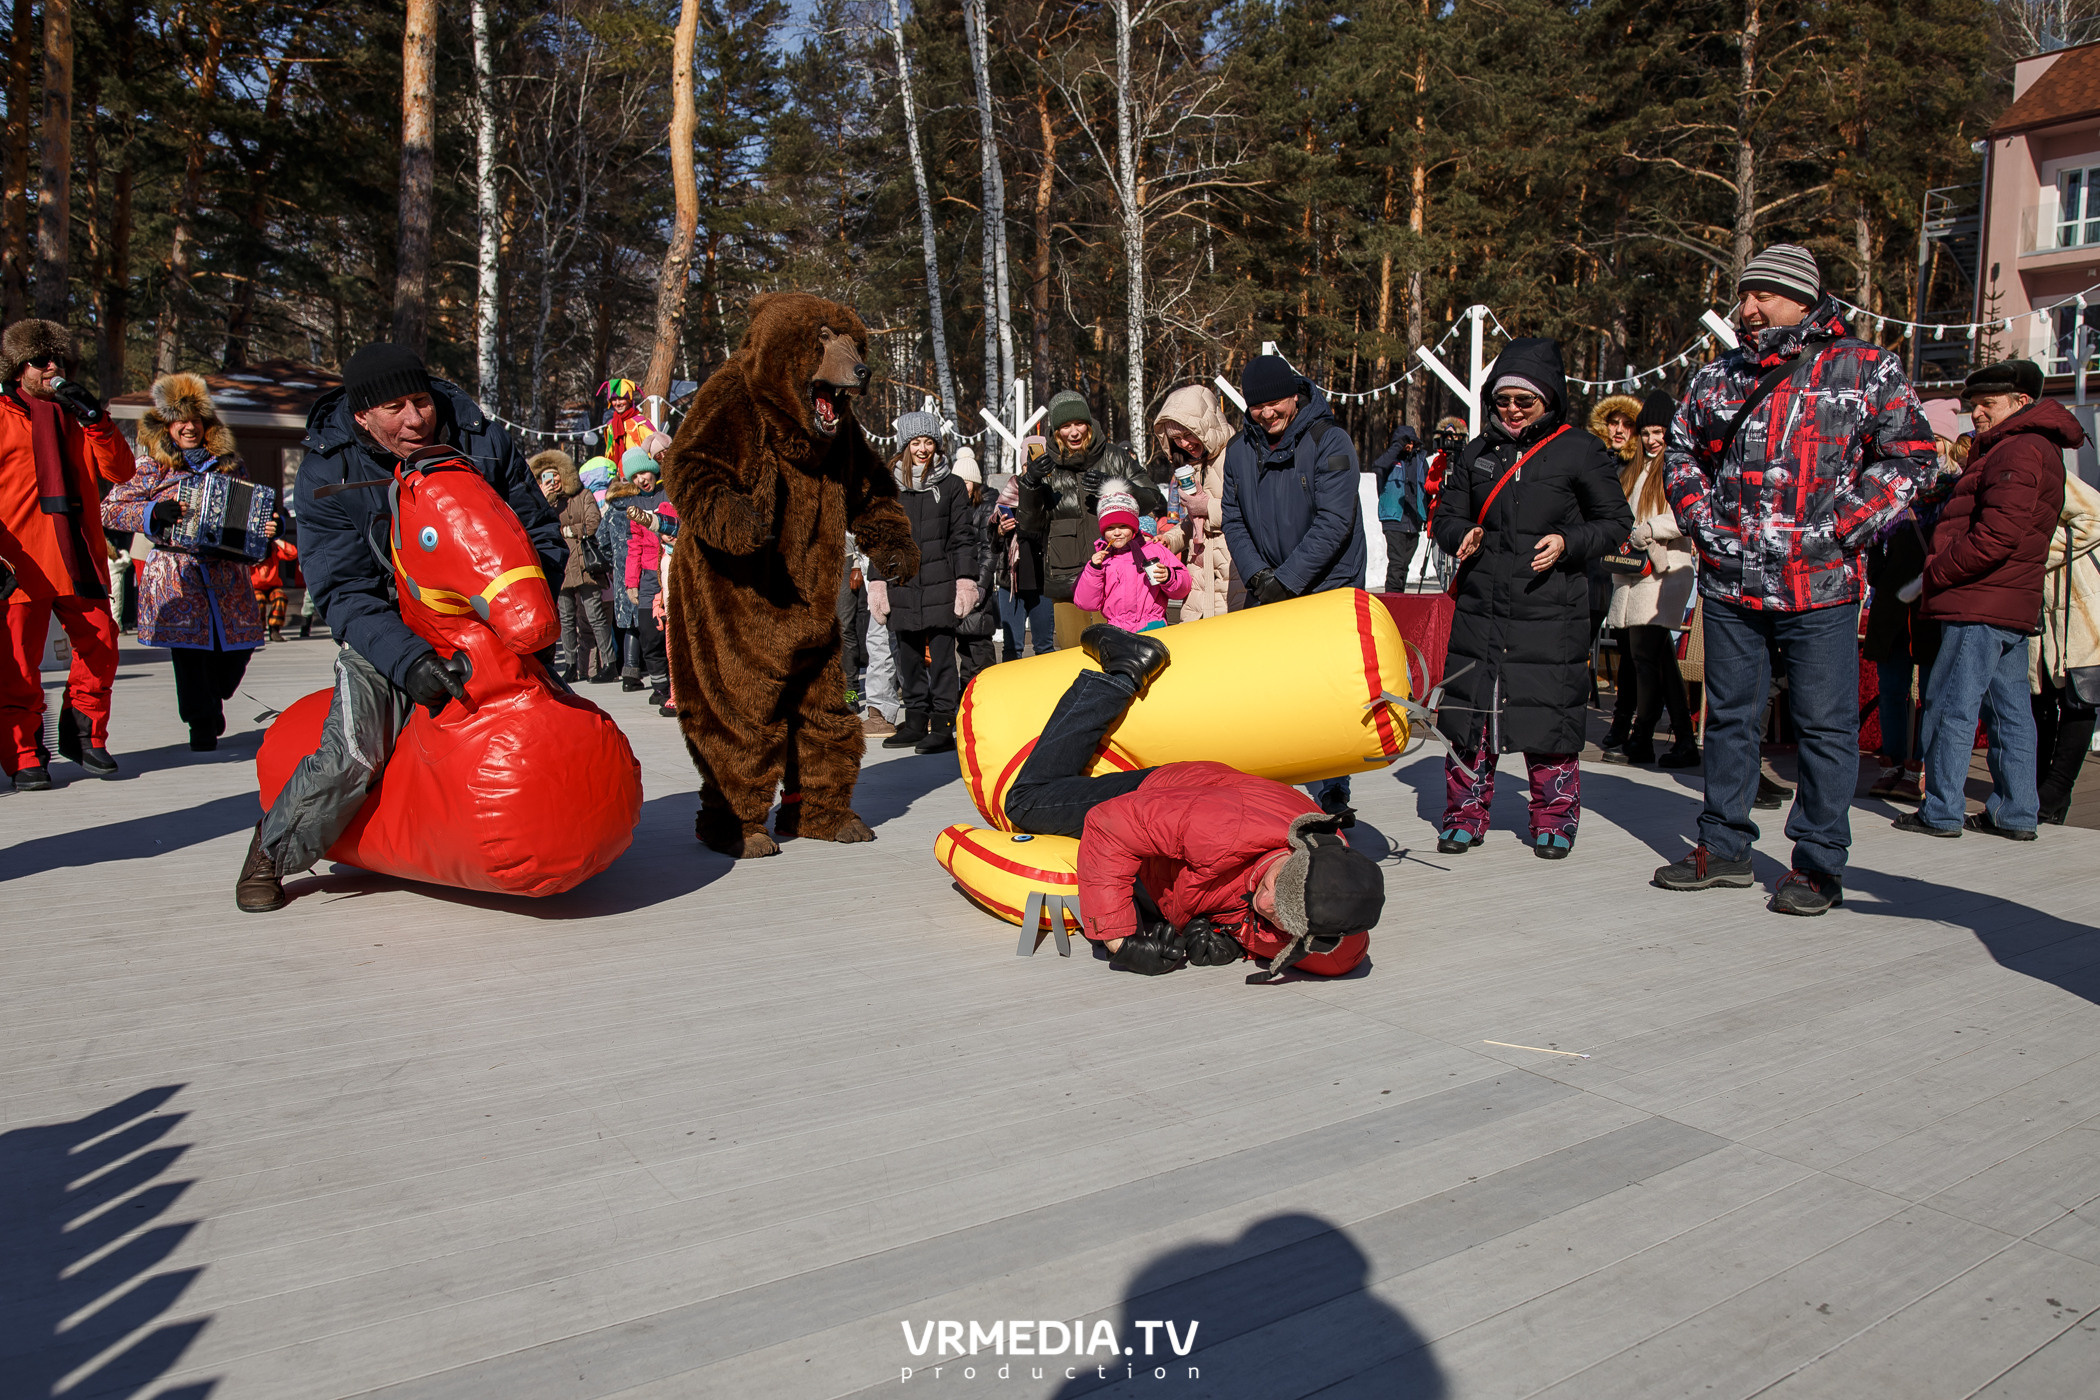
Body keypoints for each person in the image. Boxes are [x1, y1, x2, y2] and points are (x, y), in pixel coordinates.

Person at [1652, 244, 1936, 914]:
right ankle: (1723, 848)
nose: (1747, 309)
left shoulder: (1866, 368)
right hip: (1729, 582)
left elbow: (1912, 455)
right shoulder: (1716, 378)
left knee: (1825, 727)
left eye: (1764, 295)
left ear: (1804, 300)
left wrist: (1843, 528)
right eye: (1744, 295)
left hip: (1820, 587)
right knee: (1728, 720)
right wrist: (1700, 520)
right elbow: (1683, 452)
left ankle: (1817, 864)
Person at [234, 342, 565, 912]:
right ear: (363, 415)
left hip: (484, 622)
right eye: (395, 408)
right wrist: (405, 659)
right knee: (356, 752)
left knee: (551, 720)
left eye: (421, 400)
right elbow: (343, 590)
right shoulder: (328, 468)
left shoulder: (480, 439)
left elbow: (538, 533)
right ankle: (272, 849)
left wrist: (522, 612)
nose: (415, 419)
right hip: (390, 627)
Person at [1003, 624, 1385, 979]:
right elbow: (1108, 825)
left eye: (1276, 916)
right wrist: (1120, 941)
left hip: (1181, 857)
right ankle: (1122, 670)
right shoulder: (1219, 827)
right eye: (1271, 884)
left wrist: (1234, 938)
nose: (1263, 900)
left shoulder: (1336, 922)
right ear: (1297, 850)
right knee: (1026, 801)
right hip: (1166, 795)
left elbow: (1324, 951)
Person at [1429, 338, 1633, 859]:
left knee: (1548, 716)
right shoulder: (1476, 453)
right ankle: (1464, 814)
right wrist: (1460, 534)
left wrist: (1569, 543)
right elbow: (1447, 514)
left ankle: (1553, 818)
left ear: (1549, 399)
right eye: (1503, 401)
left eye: (1526, 401)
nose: (1513, 411)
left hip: (1551, 607)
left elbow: (1614, 522)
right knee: (1472, 714)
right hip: (1482, 607)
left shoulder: (1579, 450)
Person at [1895, 359, 2076, 841]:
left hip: (1978, 600)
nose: (1976, 413)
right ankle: (2016, 812)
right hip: (2008, 602)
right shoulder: (2031, 447)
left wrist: (1937, 572)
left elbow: (1996, 537)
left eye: (1987, 404)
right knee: (2010, 711)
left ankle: (1942, 809)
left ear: (2021, 403)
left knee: (1952, 705)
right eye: (1974, 405)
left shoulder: (2016, 451)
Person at [1221, 354, 1366, 823]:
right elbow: (1234, 516)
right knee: (1279, 693)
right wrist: (1260, 575)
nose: (1267, 414)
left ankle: (1332, 790)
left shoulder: (1329, 440)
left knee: (1326, 694)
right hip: (1271, 586)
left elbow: (1334, 522)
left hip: (1327, 585)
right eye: (1257, 406)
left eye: (1275, 402)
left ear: (1295, 395)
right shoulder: (1241, 449)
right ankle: (1278, 791)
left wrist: (1288, 580)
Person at [100, 372, 270, 751]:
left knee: (235, 653)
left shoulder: (230, 464)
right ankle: (201, 726)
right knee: (190, 655)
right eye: (180, 421)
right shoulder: (151, 466)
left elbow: (249, 512)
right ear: (167, 426)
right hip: (177, 573)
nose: (189, 427)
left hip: (227, 573)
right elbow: (109, 510)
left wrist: (266, 531)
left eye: (195, 419)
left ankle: (214, 699)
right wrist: (151, 513)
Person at [0, 319, 135, 789]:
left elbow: (121, 472)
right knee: (18, 664)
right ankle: (23, 752)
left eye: (59, 360)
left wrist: (97, 421)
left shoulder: (80, 415)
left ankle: (85, 737)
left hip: (78, 553)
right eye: (40, 360)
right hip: (21, 561)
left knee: (102, 647)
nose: (52, 367)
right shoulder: (0, 413)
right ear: (19, 369)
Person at [1015, 390, 1161, 649]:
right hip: (1067, 579)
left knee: (1122, 656)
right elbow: (1030, 525)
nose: (1073, 432)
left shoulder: (1114, 457)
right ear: (1056, 430)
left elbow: (1152, 499)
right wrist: (1030, 483)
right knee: (1074, 657)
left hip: (1119, 574)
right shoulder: (1045, 466)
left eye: (1079, 423)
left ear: (1089, 424)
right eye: (1065, 426)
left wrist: (1115, 486)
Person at [1600, 389, 1698, 768]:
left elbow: (1684, 515)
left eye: (1659, 432)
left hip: (1665, 571)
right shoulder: (1637, 469)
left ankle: (1643, 737)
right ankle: (1680, 740)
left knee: (1647, 655)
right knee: (1654, 656)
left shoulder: (1679, 466)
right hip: (1636, 572)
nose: (1652, 439)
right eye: (1647, 433)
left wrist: (1647, 529)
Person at [868, 411, 974, 754]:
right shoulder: (887, 486)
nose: (923, 449)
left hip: (941, 580)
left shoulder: (952, 485)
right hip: (902, 580)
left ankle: (942, 725)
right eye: (916, 442)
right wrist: (877, 582)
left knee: (942, 656)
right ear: (905, 445)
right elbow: (879, 537)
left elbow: (963, 537)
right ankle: (914, 721)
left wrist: (966, 581)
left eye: (928, 442)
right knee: (908, 656)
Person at [2032, 466, 2100, 824]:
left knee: (2080, 697)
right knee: (2038, 699)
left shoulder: (2045, 466)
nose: (1978, 415)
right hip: (2036, 605)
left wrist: (2036, 554)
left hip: (2077, 601)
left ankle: (2055, 791)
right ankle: (2043, 795)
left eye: (1986, 405)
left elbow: (2095, 514)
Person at [1151, 384, 1240, 617]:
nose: (1184, 443)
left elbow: (1251, 510)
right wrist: (1170, 539)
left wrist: (1207, 507)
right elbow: (1194, 521)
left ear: (1206, 427)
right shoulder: (1190, 466)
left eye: (1189, 434)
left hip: (1233, 570)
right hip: (1199, 572)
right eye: (1176, 438)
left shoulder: (1237, 454)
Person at [1072, 480, 1190, 633]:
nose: (1116, 532)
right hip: (1116, 632)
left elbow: (1182, 589)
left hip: (1153, 627)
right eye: (1110, 528)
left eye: (1123, 526)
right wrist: (1093, 569)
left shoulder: (1154, 550)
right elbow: (1086, 603)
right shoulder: (1103, 559)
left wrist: (1169, 577)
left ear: (1133, 527)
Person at [536, 449, 613, 683]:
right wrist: (544, 501)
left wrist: (569, 531)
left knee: (595, 616)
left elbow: (593, 523)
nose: (553, 481)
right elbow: (538, 528)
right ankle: (570, 665)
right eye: (547, 478)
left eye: (555, 475)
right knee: (566, 620)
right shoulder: (543, 504)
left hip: (585, 566)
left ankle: (609, 663)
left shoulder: (583, 495)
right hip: (560, 567)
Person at [611, 451, 671, 705]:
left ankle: (678, 685)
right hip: (647, 576)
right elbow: (633, 547)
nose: (640, 479)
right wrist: (630, 582)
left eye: (643, 472)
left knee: (672, 634)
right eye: (634, 476)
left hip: (670, 570)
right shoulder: (633, 505)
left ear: (654, 470)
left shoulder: (669, 494)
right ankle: (660, 685)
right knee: (648, 634)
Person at [950, 446, 1000, 687]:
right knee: (965, 647)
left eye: (967, 483)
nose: (963, 488)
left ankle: (986, 695)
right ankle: (967, 697)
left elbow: (990, 549)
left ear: (976, 484)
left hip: (977, 584)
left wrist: (979, 585)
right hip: (957, 585)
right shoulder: (955, 508)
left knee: (979, 644)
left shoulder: (988, 507)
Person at [990, 474, 1054, 658]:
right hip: (1010, 582)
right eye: (1026, 465)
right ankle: (1011, 687)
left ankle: (1045, 687)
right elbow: (993, 545)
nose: (1030, 470)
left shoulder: (1049, 494)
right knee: (1011, 647)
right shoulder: (1009, 493)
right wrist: (1000, 531)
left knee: (1044, 647)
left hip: (1041, 581)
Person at [1371, 423, 1427, 592]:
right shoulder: (1390, 460)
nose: (1408, 445)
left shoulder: (1420, 461)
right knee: (1396, 564)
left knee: (1404, 566)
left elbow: (1428, 488)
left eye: (1411, 442)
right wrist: (1397, 447)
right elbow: (1378, 467)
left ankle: (1399, 600)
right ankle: (1392, 602)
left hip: (1414, 521)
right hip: (1393, 519)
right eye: (1405, 442)